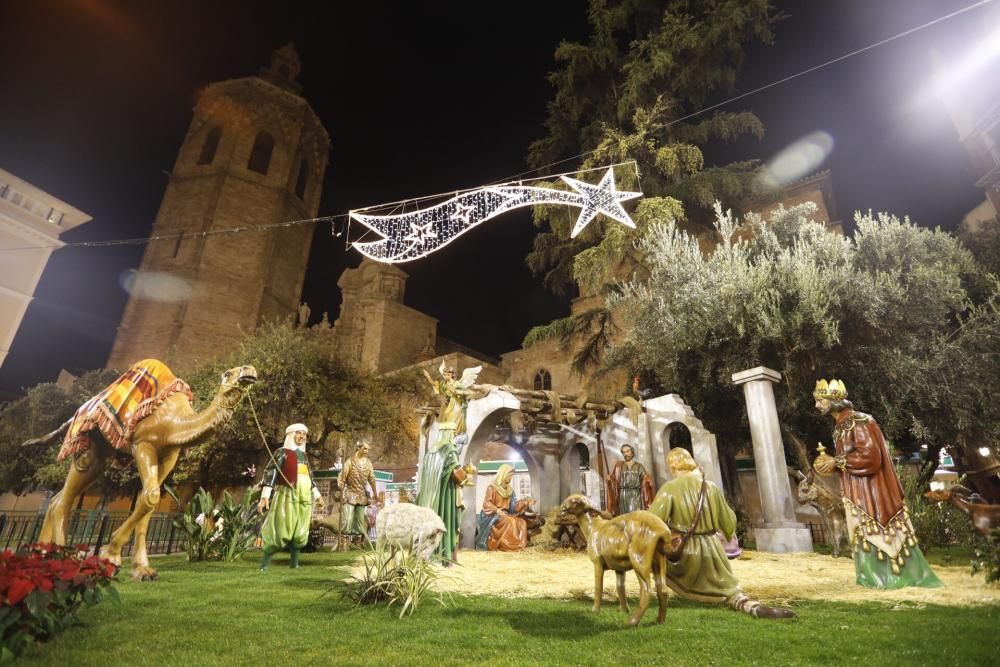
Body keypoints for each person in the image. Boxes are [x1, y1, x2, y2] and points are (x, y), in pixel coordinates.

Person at [812, 379, 941, 588]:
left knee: (876, 532)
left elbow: (871, 457)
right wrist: (831, 464)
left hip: (872, 491)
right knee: (863, 532)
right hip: (857, 491)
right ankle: (871, 576)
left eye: (820, 400)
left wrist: (836, 461)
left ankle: (889, 576)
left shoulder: (859, 421)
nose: (817, 406)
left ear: (833, 400)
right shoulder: (841, 426)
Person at [648, 448, 794, 618]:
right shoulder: (711, 488)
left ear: (672, 466)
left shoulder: (670, 488)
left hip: (685, 555)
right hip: (714, 552)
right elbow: (729, 524)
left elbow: (652, 521)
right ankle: (745, 603)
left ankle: (681, 592)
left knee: (653, 558)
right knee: (728, 588)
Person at [416, 362, 480, 562]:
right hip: (445, 499)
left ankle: (428, 554)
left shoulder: (431, 453)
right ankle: (445, 556)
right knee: (448, 521)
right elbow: (456, 474)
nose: (449, 374)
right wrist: (466, 474)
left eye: (451, 372)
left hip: (430, 500)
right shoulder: (450, 451)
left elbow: (464, 395)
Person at [257, 423, 324, 570]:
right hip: (287, 495)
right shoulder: (282, 452)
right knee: (281, 527)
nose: (301, 437)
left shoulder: (304, 456)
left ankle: (294, 564)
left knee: (300, 530)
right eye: (298, 433)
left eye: (304, 434)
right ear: (291, 435)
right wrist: (265, 496)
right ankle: (264, 565)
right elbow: (271, 472)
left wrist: (317, 495)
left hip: (304, 496)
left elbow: (310, 477)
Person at [475, 464, 535, 551]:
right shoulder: (492, 488)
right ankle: (513, 546)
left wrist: (525, 502)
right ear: (503, 474)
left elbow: (514, 507)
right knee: (511, 521)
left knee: (522, 522)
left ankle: (522, 545)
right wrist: (497, 510)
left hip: (505, 515)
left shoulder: (510, 490)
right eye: (509, 475)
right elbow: (486, 503)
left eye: (512, 476)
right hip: (494, 516)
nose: (511, 478)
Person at [338, 441, 378, 537]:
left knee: (360, 521)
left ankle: (357, 540)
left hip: (361, 495)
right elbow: (342, 476)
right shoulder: (349, 461)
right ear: (358, 448)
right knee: (347, 519)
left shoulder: (368, 463)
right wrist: (340, 483)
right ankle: (344, 540)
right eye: (364, 448)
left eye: (368, 449)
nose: (366, 451)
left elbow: (372, 478)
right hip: (350, 493)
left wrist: (375, 493)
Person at [606, 444, 655, 516]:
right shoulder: (619, 466)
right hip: (623, 495)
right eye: (624, 452)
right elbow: (614, 479)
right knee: (624, 516)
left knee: (636, 515)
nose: (626, 454)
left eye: (627, 451)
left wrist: (649, 480)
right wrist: (610, 479)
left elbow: (645, 476)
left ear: (632, 452)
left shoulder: (638, 466)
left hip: (635, 494)